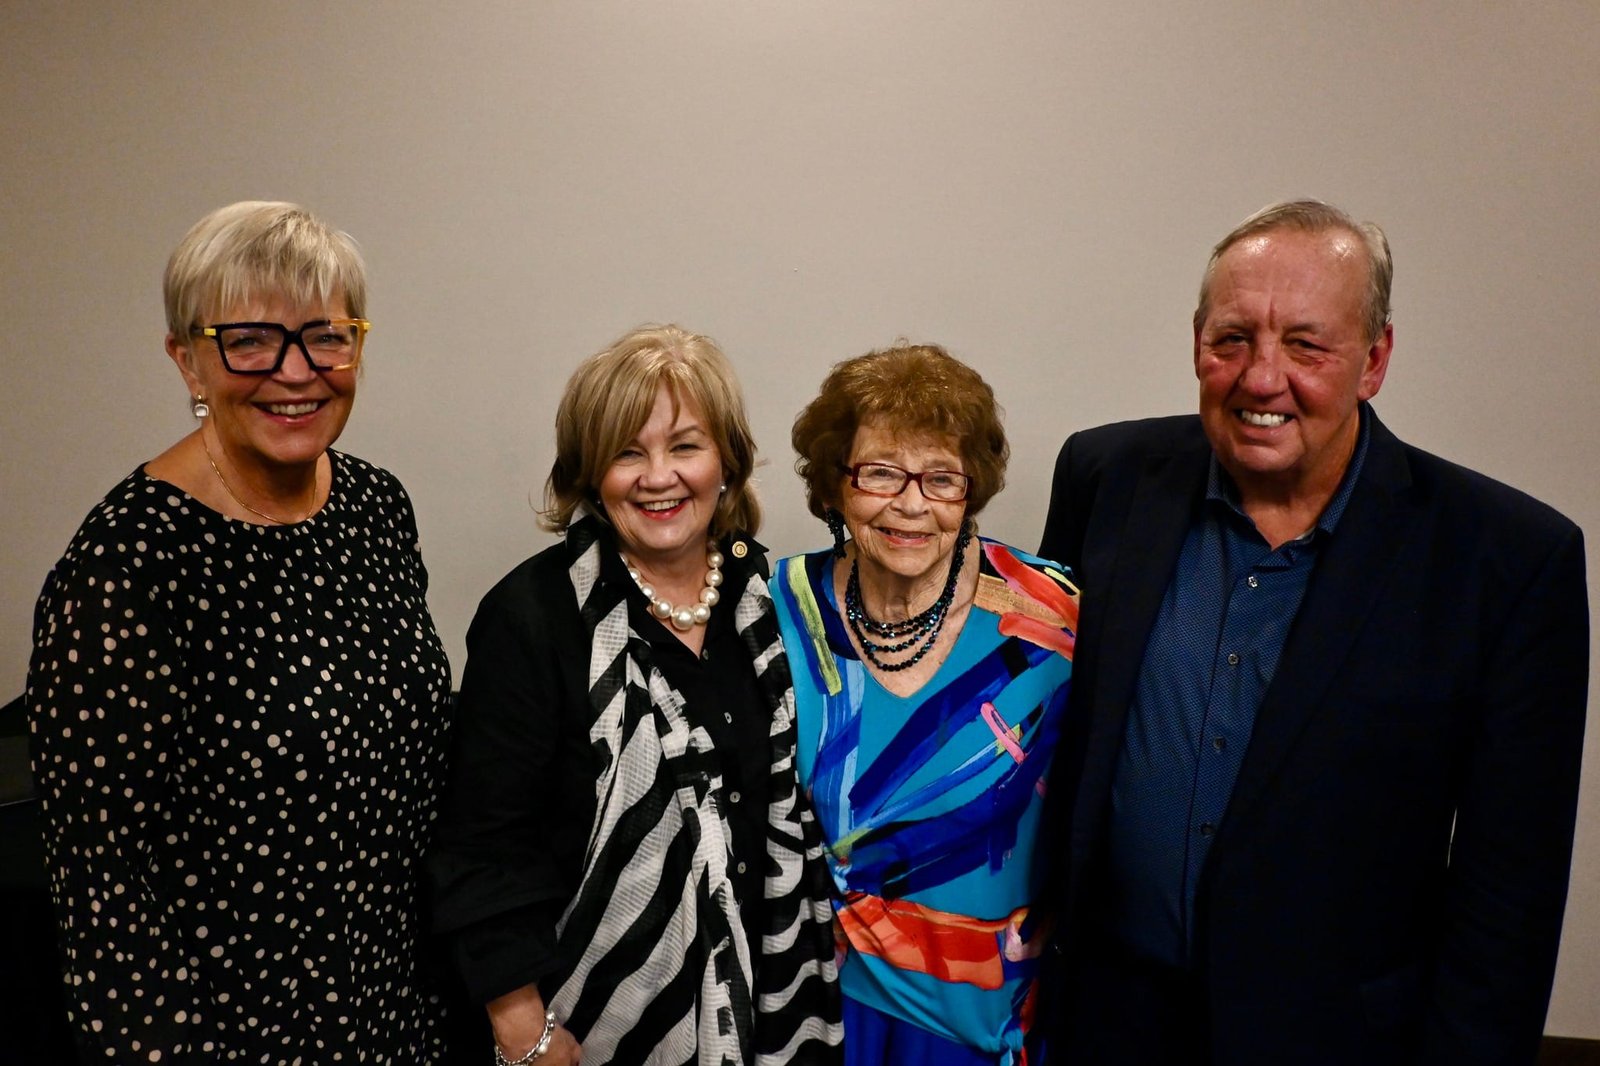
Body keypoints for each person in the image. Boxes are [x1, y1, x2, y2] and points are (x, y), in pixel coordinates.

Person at [1038, 199, 1590, 1065]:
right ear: (1195, 342)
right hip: (1100, 1024)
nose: (1262, 378)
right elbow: (1043, 744)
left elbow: (1508, 900)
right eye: (1233, 339)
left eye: (1306, 344)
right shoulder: (1105, 478)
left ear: (1373, 360)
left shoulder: (1510, 562)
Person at [26, 201, 454, 1062]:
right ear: (186, 358)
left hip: (399, 1012)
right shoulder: (127, 566)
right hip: (231, 1039)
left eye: (326, 337)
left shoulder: (375, 505)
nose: (295, 372)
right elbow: (105, 900)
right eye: (249, 339)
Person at [427, 325, 841, 1066]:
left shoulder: (770, 600)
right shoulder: (533, 616)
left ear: (726, 462)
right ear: (590, 473)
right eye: (626, 451)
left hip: (772, 1018)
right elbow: (482, 848)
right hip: (586, 1032)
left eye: (685, 446)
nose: (658, 477)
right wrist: (526, 1032)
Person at [770, 344, 1077, 1065]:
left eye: (941, 478)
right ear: (836, 485)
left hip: (987, 1025)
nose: (911, 504)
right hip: (815, 1014)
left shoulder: (1052, 619)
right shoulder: (778, 608)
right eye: (880, 473)